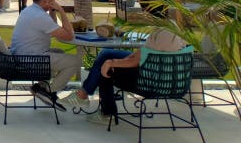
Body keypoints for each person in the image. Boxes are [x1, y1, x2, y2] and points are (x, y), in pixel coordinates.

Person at [58, 29, 190, 125]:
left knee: (106, 68)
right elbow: (141, 53)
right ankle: (84, 94)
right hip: (173, 82)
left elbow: (135, 61)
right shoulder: (176, 32)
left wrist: (112, 63)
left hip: (150, 83)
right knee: (107, 54)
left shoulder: (158, 35)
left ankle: (106, 113)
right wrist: (119, 59)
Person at [10, 0, 80, 110]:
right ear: (45, 1)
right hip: (30, 60)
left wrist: (52, 11)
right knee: (75, 61)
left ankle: (41, 86)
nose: (55, 0)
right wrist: (62, 10)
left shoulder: (30, 10)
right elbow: (69, 35)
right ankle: (49, 91)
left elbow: (52, 26)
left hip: (22, 56)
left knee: (59, 52)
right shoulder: (39, 16)